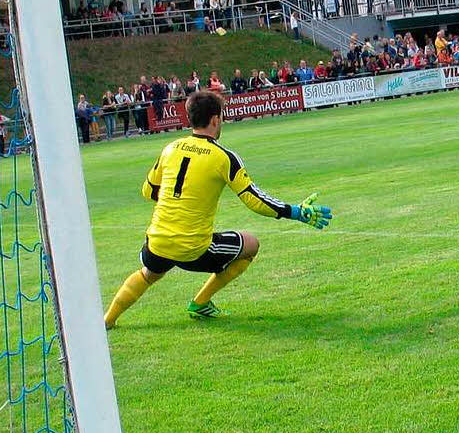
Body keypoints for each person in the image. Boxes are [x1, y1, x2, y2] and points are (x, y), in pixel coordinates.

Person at [103, 90, 333, 327]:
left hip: (157, 242)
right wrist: (295, 212)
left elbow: (148, 191)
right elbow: (254, 199)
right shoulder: (223, 157)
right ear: (215, 119)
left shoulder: (170, 148)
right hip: (194, 249)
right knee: (251, 244)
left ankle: (107, 320)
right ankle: (201, 303)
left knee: (149, 273)